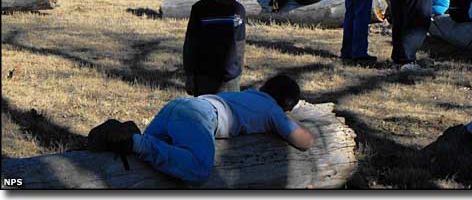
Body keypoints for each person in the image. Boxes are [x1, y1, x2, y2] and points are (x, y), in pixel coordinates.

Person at [88, 75, 315, 183]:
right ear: (286, 106)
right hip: (201, 116)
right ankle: (135, 141)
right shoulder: (274, 111)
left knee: (159, 156)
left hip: (181, 106)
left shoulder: (250, 95)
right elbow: (304, 142)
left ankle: (124, 134)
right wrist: (292, 118)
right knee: (199, 170)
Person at [183, 0, 247, 96]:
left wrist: (238, 70)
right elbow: (191, 44)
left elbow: (240, 42)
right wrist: (190, 75)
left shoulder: (239, 10)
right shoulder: (200, 9)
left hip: (231, 77)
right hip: (205, 76)